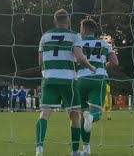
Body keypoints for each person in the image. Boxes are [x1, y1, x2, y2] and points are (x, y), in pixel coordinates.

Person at [36, 9, 96, 156]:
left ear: (54, 21)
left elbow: (40, 61)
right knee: (74, 116)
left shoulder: (45, 36)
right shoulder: (74, 35)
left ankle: (39, 149)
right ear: (68, 21)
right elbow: (80, 57)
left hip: (49, 79)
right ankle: (75, 151)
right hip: (68, 80)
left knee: (44, 114)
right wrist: (91, 67)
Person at [77, 18, 118, 155]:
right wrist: (103, 66)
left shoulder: (77, 43)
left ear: (83, 29)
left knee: (83, 114)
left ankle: (86, 149)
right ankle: (92, 118)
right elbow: (114, 62)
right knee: (96, 113)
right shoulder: (103, 43)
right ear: (94, 31)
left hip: (80, 79)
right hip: (98, 79)